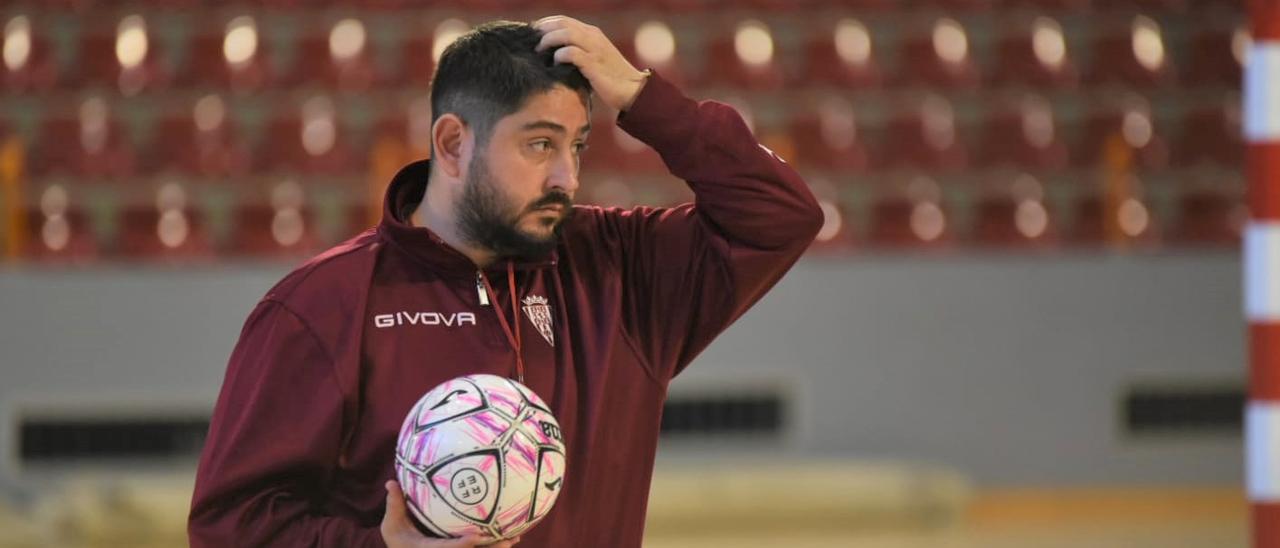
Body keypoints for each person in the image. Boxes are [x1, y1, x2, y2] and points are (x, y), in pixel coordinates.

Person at [188, 16, 821, 548]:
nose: (567, 179)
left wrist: (642, 99)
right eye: (540, 145)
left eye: (578, 146)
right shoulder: (322, 306)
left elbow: (783, 217)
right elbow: (229, 526)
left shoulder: (621, 269)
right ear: (454, 143)